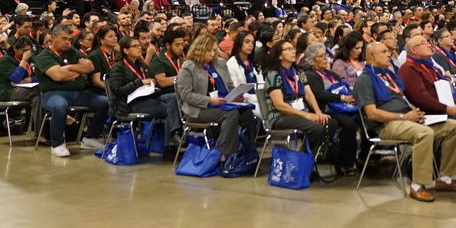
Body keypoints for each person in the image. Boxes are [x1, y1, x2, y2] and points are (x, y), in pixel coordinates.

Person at [355, 41, 456, 201]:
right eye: (384, 51)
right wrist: (403, 117)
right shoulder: (365, 79)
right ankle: (417, 185)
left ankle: (445, 178)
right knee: (424, 133)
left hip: (408, 119)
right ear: (372, 56)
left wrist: (414, 112)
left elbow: (403, 99)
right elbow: (371, 114)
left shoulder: (388, 75)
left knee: (453, 127)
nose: (388, 54)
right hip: (387, 125)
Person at [176, 33, 260, 163]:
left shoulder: (220, 63)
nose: (212, 54)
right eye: (209, 51)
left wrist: (236, 95)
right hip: (198, 109)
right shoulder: (189, 67)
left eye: (214, 50)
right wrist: (209, 100)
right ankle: (223, 153)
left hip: (223, 103)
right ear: (200, 50)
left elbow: (229, 86)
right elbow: (186, 95)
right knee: (230, 114)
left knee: (247, 114)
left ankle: (248, 151)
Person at [35, 26, 109, 157]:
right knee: (59, 106)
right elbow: (58, 76)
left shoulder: (72, 52)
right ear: (53, 38)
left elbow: (90, 66)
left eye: (69, 39)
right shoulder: (43, 56)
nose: (68, 42)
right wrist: (78, 71)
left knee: (105, 102)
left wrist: (68, 68)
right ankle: (57, 144)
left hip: (79, 93)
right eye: (64, 39)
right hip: (53, 94)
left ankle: (90, 138)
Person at [263, 39, 330, 154]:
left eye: (293, 48)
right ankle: (302, 158)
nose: (293, 51)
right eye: (288, 49)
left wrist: (318, 112)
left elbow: (308, 93)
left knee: (329, 122)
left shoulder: (299, 72)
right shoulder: (274, 75)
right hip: (280, 117)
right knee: (315, 127)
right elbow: (279, 105)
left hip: (299, 112)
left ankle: (311, 159)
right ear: (279, 56)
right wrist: (306, 115)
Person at [108, 36, 180, 138]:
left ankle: (174, 134)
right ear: (126, 50)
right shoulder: (118, 67)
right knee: (166, 109)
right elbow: (117, 91)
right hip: (128, 103)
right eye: (135, 46)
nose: (139, 48)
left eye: (139, 45)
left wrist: (153, 82)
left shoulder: (141, 64)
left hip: (148, 97)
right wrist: (140, 82)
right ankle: (171, 141)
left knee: (173, 97)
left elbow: (150, 78)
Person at [307, 48, 361, 176]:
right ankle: (344, 164)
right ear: (312, 60)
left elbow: (345, 87)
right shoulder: (309, 75)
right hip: (326, 109)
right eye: (321, 56)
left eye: (325, 55)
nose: (326, 58)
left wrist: (352, 95)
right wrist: (341, 98)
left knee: (365, 117)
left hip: (343, 106)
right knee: (349, 125)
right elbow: (319, 95)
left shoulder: (330, 73)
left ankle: (365, 156)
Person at [398, 34, 456, 118]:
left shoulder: (428, 65)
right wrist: (447, 109)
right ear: (413, 50)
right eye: (423, 43)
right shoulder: (409, 68)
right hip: (430, 114)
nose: (429, 45)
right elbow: (420, 98)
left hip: (443, 107)